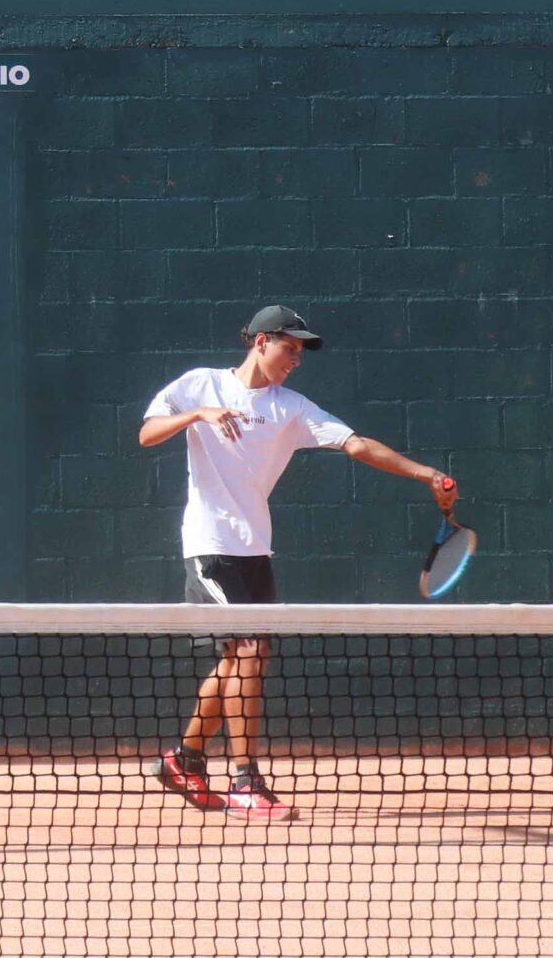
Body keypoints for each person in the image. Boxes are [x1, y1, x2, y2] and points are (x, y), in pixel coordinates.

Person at [138, 305, 458, 821]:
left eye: (302, 352)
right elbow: (147, 434)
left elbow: (356, 445)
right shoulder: (200, 385)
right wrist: (199, 414)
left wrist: (425, 474)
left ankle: (185, 759)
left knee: (246, 659)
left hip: (255, 551)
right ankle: (246, 781)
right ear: (262, 342)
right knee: (247, 651)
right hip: (210, 546)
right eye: (291, 348)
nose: (297, 359)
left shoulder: (291, 407)